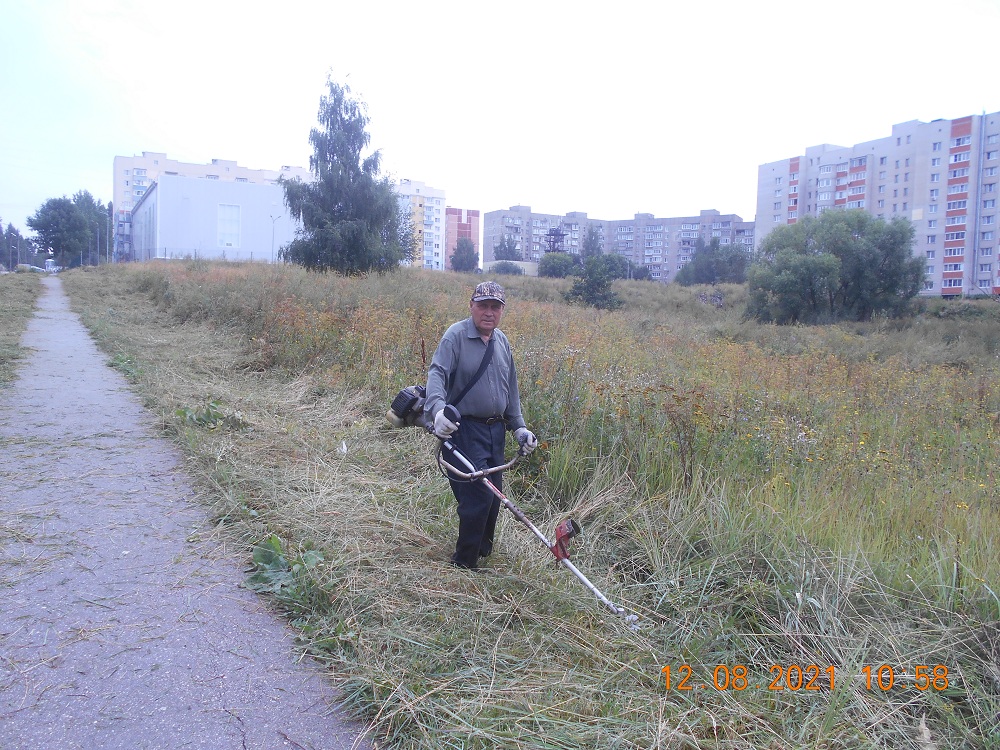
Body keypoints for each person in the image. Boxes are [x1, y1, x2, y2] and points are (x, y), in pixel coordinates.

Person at [424, 281, 538, 569]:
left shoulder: (502, 342)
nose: (489, 312)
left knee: (494, 497)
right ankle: (464, 564)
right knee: (476, 498)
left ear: (502, 311)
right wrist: (437, 411)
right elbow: (437, 374)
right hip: (463, 430)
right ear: (471, 306)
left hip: (495, 431)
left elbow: (510, 389)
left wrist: (520, 428)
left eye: (495, 307)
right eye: (483, 305)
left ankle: (482, 550)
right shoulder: (456, 336)